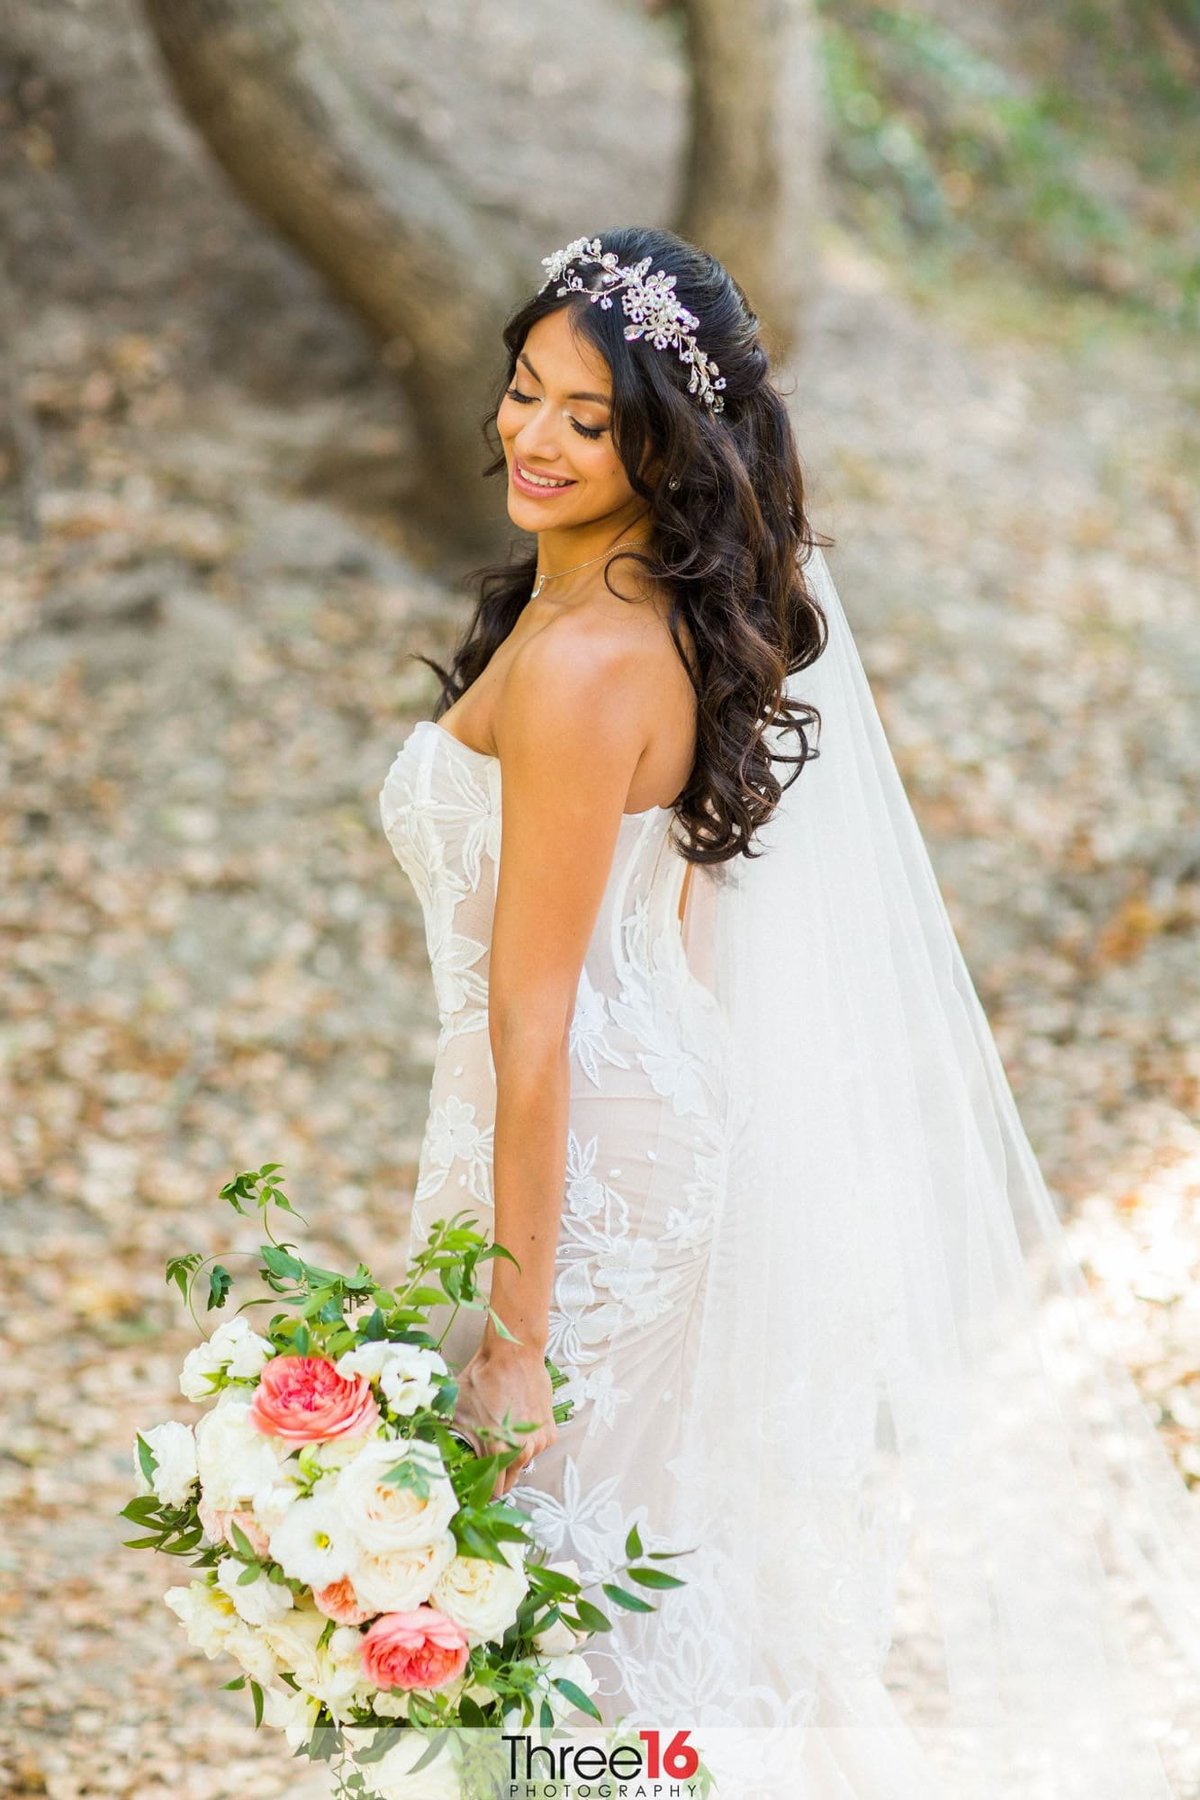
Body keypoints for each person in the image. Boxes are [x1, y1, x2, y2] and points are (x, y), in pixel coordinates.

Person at [379, 228, 1200, 1797]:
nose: (532, 437)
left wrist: (520, 1339)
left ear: (659, 444)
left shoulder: (579, 671)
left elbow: (537, 1022)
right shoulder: (626, 623)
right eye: (524, 392)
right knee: (615, 1586)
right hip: (615, 1117)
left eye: (586, 418)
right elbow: (661, 921)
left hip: (582, 1143)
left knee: (567, 1612)